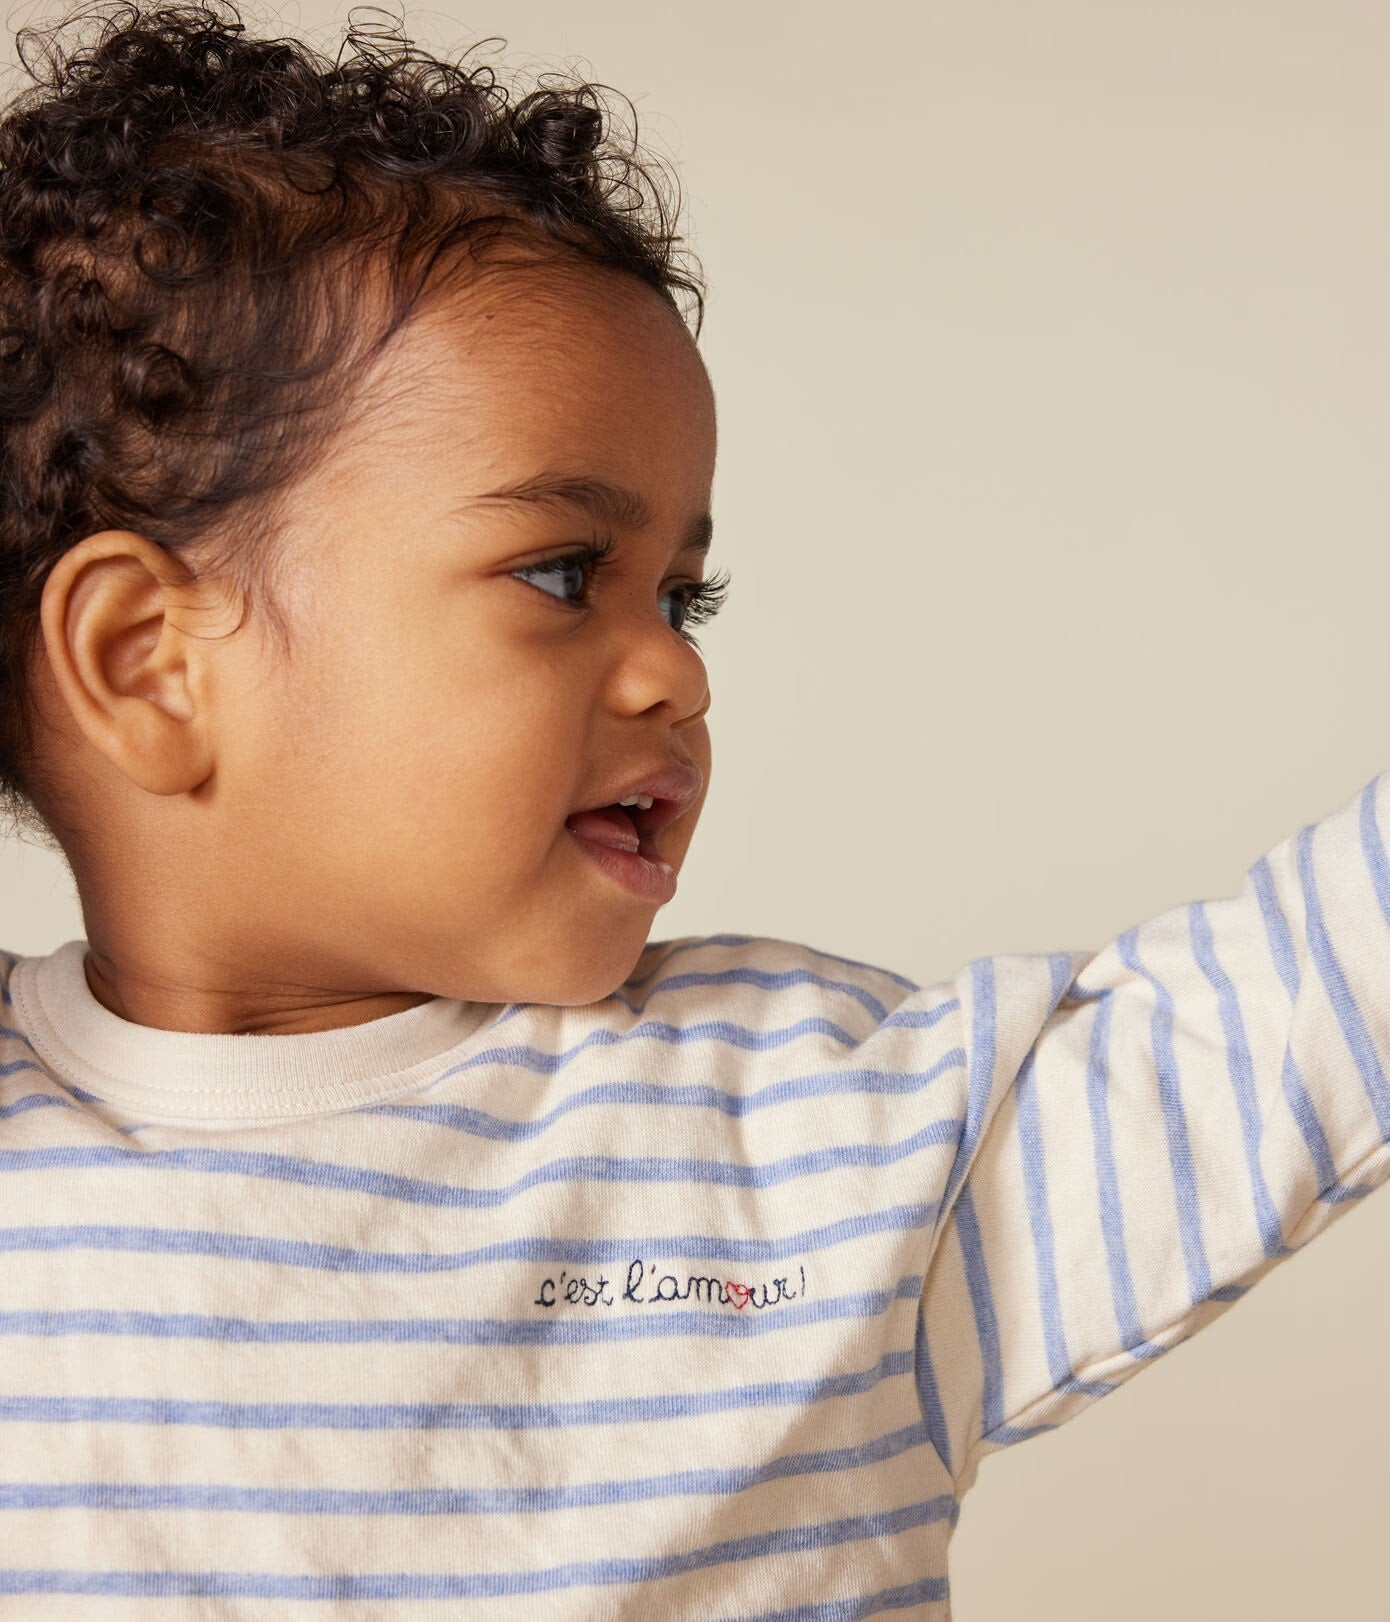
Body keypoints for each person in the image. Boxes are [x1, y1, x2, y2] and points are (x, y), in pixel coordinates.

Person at [0, 1, 1385, 1615]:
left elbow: (1268, 1026)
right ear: (149, 661)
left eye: (684, 596)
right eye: (562, 575)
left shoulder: (808, 1133)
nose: (671, 671)